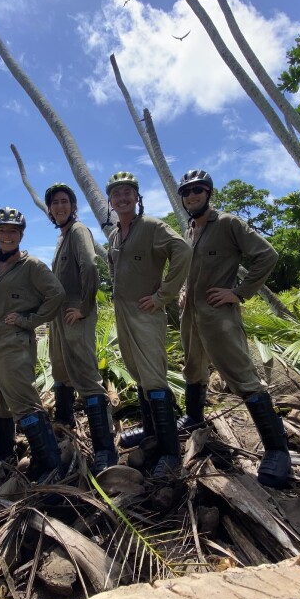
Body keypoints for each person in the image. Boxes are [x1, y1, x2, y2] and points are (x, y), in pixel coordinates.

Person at [176, 170, 291, 488]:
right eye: (186, 192)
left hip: (219, 317)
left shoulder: (227, 224)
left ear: (208, 193)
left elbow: (267, 256)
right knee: (193, 368)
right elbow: (190, 268)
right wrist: (184, 289)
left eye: (198, 190)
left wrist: (238, 292)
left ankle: (278, 451)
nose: (192, 196)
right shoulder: (189, 231)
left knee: (243, 377)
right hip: (192, 317)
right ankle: (194, 418)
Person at [105, 171, 191, 478]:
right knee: (138, 372)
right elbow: (114, 265)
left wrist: (163, 295)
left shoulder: (152, 226)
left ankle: (170, 452)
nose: (123, 198)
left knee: (154, 375)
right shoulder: (115, 235)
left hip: (147, 311)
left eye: (128, 192)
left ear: (137, 198)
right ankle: (151, 432)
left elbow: (182, 251)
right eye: (117, 194)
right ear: (111, 201)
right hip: (123, 313)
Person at [0, 207, 67, 483]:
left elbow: (57, 294)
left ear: (21, 235)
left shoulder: (32, 266)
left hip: (15, 343)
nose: (7, 236)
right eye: (2, 230)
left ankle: (51, 465)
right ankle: (3, 453)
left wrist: (30, 319)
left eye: (13, 231)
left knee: (24, 401)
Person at [45, 183, 118, 475]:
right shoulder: (62, 237)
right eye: (55, 203)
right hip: (60, 317)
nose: (60, 206)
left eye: (65, 201)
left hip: (77, 314)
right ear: (49, 210)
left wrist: (85, 306)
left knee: (86, 377)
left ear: (73, 206)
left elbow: (89, 266)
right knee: (60, 370)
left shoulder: (78, 231)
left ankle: (105, 449)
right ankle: (64, 423)